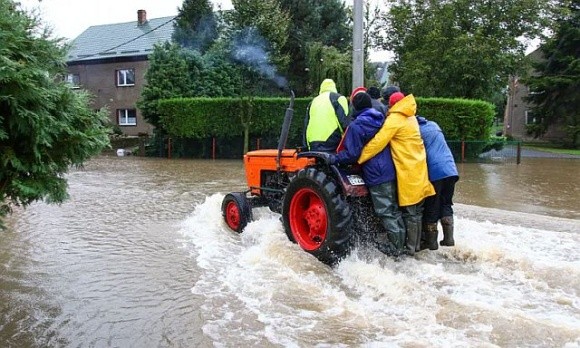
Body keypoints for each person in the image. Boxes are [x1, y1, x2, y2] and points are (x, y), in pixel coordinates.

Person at [328, 91, 405, 256]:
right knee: (393, 209)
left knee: (385, 210)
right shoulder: (381, 119)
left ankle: (396, 248)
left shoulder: (356, 126)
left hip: (376, 173)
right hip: (390, 169)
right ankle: (403, 243)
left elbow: (352, 154)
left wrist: (334, 158)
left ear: (354, 106)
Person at [358, 92, 435, 256]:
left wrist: (360, 157)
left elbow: (378, 142)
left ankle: (407, 248)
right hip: (420, 168)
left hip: (407, 171)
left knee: (409, 212)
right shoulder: (411, 117)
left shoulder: (395, 119)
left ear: (391, 105)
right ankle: (415, 246)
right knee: (417, 211)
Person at [417, 115, 459, 249]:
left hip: (435, 171)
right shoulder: (434, 125)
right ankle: (449, 239)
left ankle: (431, 242)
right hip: (451, 169)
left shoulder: (416, 131)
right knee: (446, 202)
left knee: (432, 205)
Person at [304, 79, 350, 152]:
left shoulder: (312, 102)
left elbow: (306, 125)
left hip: (312, 143)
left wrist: (306, 145)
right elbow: (344, 123)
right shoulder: (339, 98)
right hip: (332, 142)